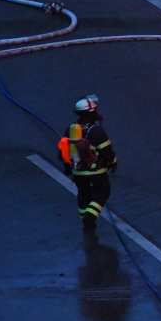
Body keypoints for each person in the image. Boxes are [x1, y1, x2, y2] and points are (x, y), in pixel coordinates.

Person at [58, 95, 117, 233]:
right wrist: (112, 163)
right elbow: (107, 152)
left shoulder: (70, 129)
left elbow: (63, 150)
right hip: (96, 172)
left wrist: (68, 167)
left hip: (78, 172)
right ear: (92, 112)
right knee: (102, 193)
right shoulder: (96, 131)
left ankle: (86, 221)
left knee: (83, 195)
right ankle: (90, 217)